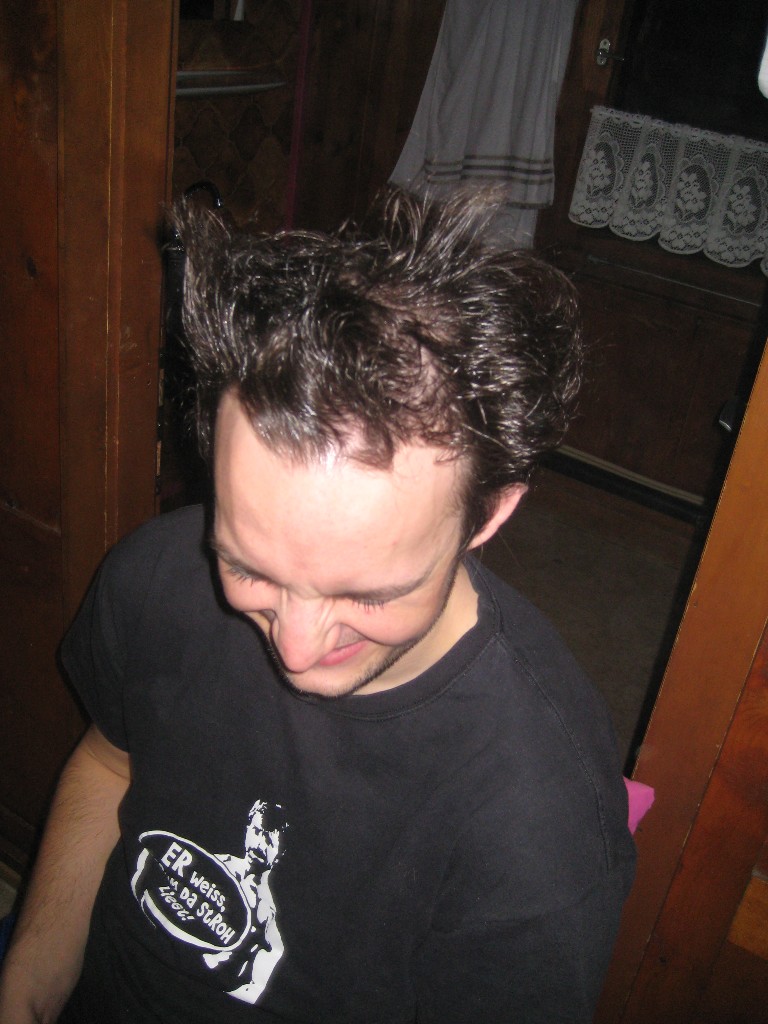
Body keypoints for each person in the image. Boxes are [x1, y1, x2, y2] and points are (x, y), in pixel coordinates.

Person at [0, 188, 636, 1023]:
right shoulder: (154, 575)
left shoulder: (541, 823)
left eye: (368, 593)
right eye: (249, 570)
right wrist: (28, 983)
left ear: (488, 514)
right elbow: (110, 760)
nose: (294, 649)